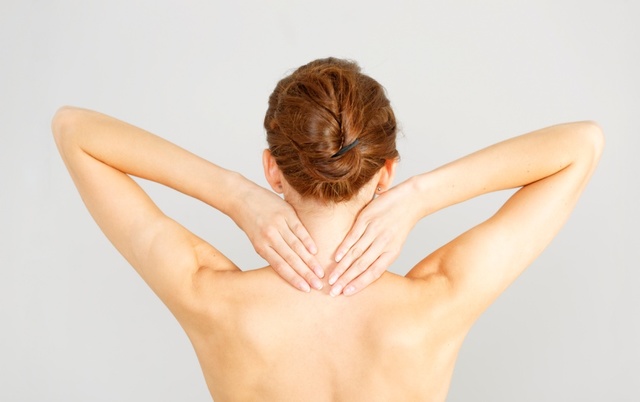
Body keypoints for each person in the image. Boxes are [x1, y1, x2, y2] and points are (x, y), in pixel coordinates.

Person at [53, 58, 603, 401]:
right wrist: (420, 196)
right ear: (385, 172)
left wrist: (233, 193)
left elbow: (73, 129)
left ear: (273, 169)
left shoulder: (210, 297)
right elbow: (581, 145)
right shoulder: (439, 299)